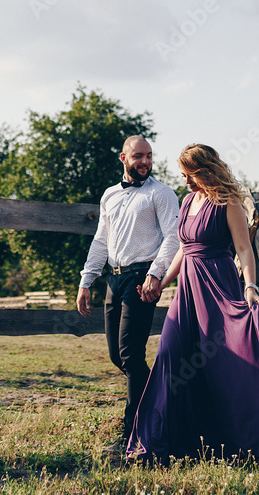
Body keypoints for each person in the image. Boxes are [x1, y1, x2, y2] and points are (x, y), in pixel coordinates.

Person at [127, 143, 259, 461]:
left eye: (189, 175)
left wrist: (250, 286)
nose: (186, 182)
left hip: (218, 289)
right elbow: (183, 248)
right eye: (183, 176)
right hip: (186, 292)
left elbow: (244, 249)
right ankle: (158, 439)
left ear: (204, 170)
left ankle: (238, 436)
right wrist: (162, 281)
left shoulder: (227, 202)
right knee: (170, 355)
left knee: (221, 363)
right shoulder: (189, 200)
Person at [76, 135, 180, 450]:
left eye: (149, 155)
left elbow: (173, 238)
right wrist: (86, 280)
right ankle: (162, 405)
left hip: (141, 279)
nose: (145, 161)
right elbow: (100, 240)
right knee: (116, 356)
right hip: (114, 278)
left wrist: (154, 275)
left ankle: (132, 433)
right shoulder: (109, 195)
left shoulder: (161, 194)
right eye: (138, 156)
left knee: (131, 356)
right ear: (124, 158)